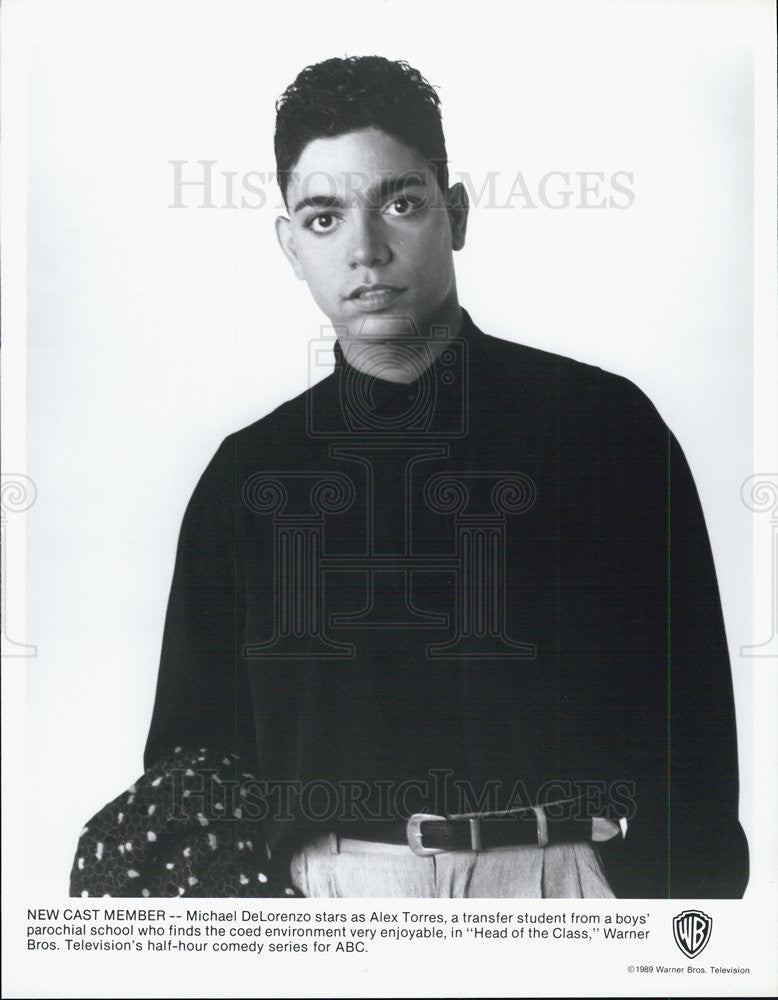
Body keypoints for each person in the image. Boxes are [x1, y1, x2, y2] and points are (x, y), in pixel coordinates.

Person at [74, 55, 748, 899]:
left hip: (569, 885)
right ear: (289, 245)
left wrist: (672, 920)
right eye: (323, 218)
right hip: (333, 902)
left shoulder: (604, 429)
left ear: (453, 213)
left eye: (399, 202)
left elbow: (694, 723)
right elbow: (191, 763)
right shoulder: (247, 476)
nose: (365, 250)